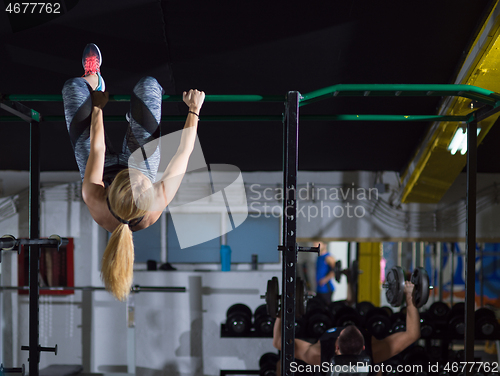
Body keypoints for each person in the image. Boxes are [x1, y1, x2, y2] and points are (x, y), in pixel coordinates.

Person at [62, 43, 205, 301]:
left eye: (131, 176)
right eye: (142, 182)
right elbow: (183, 152)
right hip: (142, 163)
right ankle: (136, 120)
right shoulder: (154, 205)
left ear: (111, 189)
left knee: (72, 89)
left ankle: (93, 78)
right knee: (148, 86)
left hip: (100, 167)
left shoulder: (93, 196)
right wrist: (194, 109)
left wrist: (98, 106)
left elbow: (98, 147)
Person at [273, 281, 420, 375]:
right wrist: (410, 297)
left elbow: (278, 342)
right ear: (363, 347)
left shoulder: (318, 355)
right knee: (378, 370)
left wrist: (282, 310)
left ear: (336, 346)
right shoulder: (375, 352)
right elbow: (412, 334)